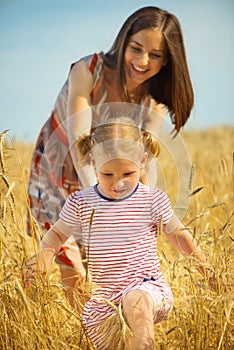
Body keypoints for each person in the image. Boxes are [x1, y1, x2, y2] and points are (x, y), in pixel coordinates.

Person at [27, 6, 194, 305]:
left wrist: (142, 200)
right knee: (73, 269)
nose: (142, 61)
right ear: (123, 42)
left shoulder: (154, 99)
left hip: (109, 179)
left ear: (168, 60)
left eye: (155, 55)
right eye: (136, 49)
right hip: (56, 172)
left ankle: (99, 331)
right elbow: (81, 146)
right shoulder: (87, 70)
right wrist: (98, 198)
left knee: (104, 269)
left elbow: (148, 158)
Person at [24, 117, 217, 350]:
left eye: (128, 174)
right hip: (104, 301)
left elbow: (181, 237)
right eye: (107, 175)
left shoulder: (152, 200)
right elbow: (55, 235)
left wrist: (209, 273)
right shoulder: (81, 202)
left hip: (146, 287)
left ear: (143, 162)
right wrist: (44, 257)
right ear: (93, 163)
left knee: (135, 304)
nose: (119, 184)